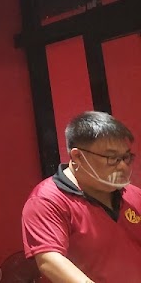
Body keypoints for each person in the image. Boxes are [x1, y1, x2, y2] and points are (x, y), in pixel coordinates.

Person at [21, 111, 141, 282]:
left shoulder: (134, 194)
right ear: (77, 156)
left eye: (126, 157)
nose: (123, 166)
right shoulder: (48, 200)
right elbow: (50, 261)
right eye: (112, 157)